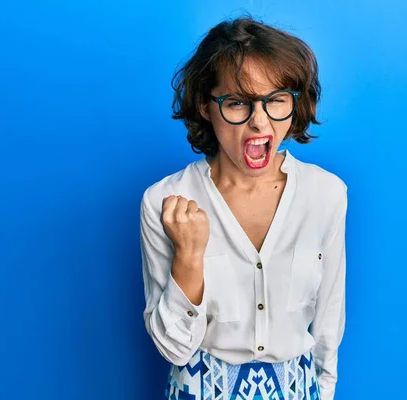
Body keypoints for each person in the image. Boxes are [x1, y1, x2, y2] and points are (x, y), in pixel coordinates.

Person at [140, 16, 348, 400]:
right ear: (206, 105)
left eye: (276, 101)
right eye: (238, 103)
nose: (259, 122)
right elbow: (174, 350)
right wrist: (189, 256)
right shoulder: (164, 201)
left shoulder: (326, 194)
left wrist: (326, 391)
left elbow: (328, 325)